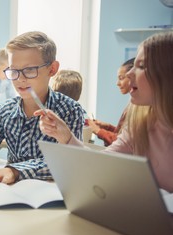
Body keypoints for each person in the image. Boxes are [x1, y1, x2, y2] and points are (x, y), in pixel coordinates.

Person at [36, 32, 173, 193]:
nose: (129, 74)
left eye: (141, 66)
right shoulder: (140, 125)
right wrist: (66, 136)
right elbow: (100, 164)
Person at [0, 31, 85, 184]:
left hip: (52, 194)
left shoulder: (70, 110)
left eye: (30, 70)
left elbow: (65, 161)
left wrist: (15, 171)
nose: (20, 79)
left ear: (52, 69)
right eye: (13, 71)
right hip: (11, 192)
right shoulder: (6, 110)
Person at [86, 58, 135, 146]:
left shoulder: (139, 107)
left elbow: (124, 143)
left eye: (121, 78)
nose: (117, 83)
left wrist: (98, 130)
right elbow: (124, 136)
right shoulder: (132, 103)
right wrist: (108, 127)